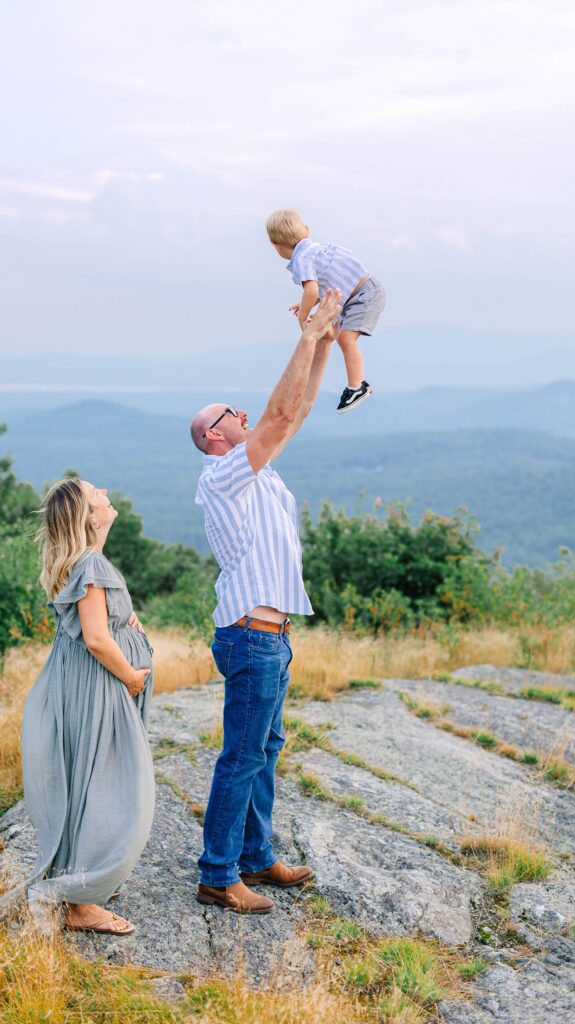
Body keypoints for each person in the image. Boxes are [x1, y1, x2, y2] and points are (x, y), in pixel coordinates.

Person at [189, 288, 342, 914]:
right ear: (214, 435)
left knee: (267, 748)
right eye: (232, 411)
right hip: (252, 636)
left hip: (271, 636)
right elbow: (277, 418)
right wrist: (304, 335)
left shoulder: (258, 469)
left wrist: (325, 342)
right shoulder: (222, 475)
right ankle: (218, 875)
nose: (245, 412)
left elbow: (294, 413)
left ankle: (255, 855)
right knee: (242, 754)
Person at [0, 477, 155, 935]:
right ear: (88, 515)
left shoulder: (83, 561)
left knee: (87, 781)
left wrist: (125, 619)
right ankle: (82, 900)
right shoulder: (91, 566)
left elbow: (98, 609)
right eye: (95, 492)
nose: (106, 490)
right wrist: (130, 677)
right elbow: (96, 639)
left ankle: (84, 883)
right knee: (111, 788)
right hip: (100, 685)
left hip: (78, 683)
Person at [266, 208, 386, 414]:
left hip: (362, 297)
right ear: (306, 230)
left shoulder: (302, 260)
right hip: (364, 291)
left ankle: (357, 386)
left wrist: (303, 316)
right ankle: (356, 385)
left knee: (346, 339)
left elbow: (311, 289)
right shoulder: (318, 251)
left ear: (276, 247)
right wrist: (306, 303)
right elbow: (328, 284)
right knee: (339, 335)